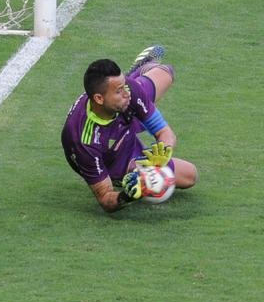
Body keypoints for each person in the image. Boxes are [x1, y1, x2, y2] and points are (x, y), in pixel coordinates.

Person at [61, 46, 198, 212]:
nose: (126, 93)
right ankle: (123, 176)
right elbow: (105, 199)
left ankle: (136, 72)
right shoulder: (84, 141)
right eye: (119, 90)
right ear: (98, 98)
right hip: (116, 159)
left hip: (124, 115)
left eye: (124, 86)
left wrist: (163, 154)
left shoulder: (129, 92)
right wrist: (129, 194)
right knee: (189, 176)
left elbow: (165, 133)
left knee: (165, 72)